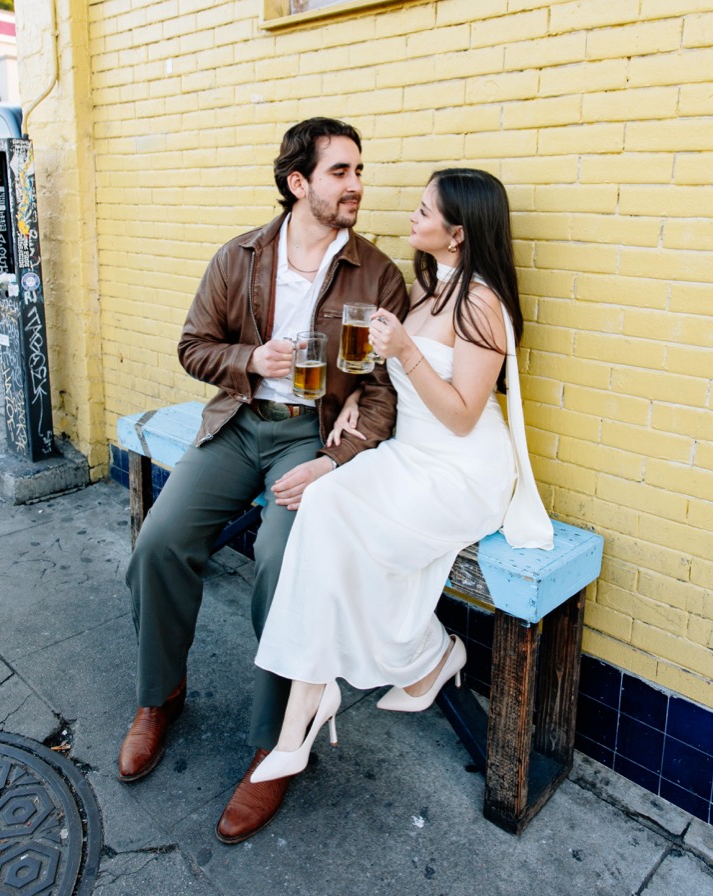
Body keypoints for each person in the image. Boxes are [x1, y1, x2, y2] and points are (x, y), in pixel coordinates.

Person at [120, 118, 409, 843]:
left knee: (281, 565)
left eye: (359, 171)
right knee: (159, 542)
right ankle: (161, 696)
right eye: (340, 172)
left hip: (310, 442)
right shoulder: (241, 256)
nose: (356, 186)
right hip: (241, 422)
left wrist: (336, 459)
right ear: (298, 183)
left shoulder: (378, 275)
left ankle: (274, 746)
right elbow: (194, 346)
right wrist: (253, 360)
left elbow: (384, 391)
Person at [246, 167, 552, 792]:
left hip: (460, 472)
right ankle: (326, 692)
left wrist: (407, 351)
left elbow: (464, 415)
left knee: (336, 519)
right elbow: (401, 387)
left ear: (458, 233)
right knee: (323, 501)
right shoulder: (427, 291)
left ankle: (412, 663)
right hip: (409, 455)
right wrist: (360, 394)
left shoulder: (482, 303)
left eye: (423, 211)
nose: (411, 218)